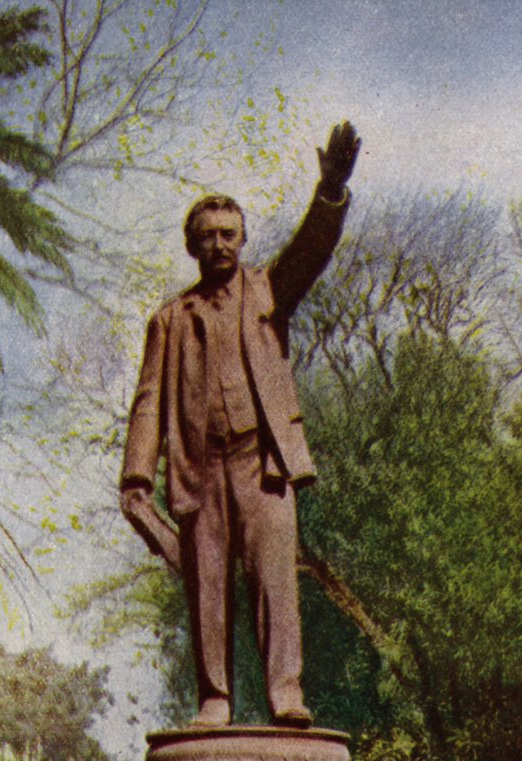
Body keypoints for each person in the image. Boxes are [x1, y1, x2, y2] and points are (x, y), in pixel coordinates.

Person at [120, 122, 360, 728]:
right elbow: (148, 399)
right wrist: (137, 473)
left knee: (275, 580)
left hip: (264, 462)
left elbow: (312, 248)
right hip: (201, 468)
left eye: (229, 233)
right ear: (191, 247)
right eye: (207, 237)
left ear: (245, 238)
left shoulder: (269, 291)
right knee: (206, 586)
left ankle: (286, 694)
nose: (220, 244)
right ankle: (215, 701)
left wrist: (329, 192)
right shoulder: (170, 319)